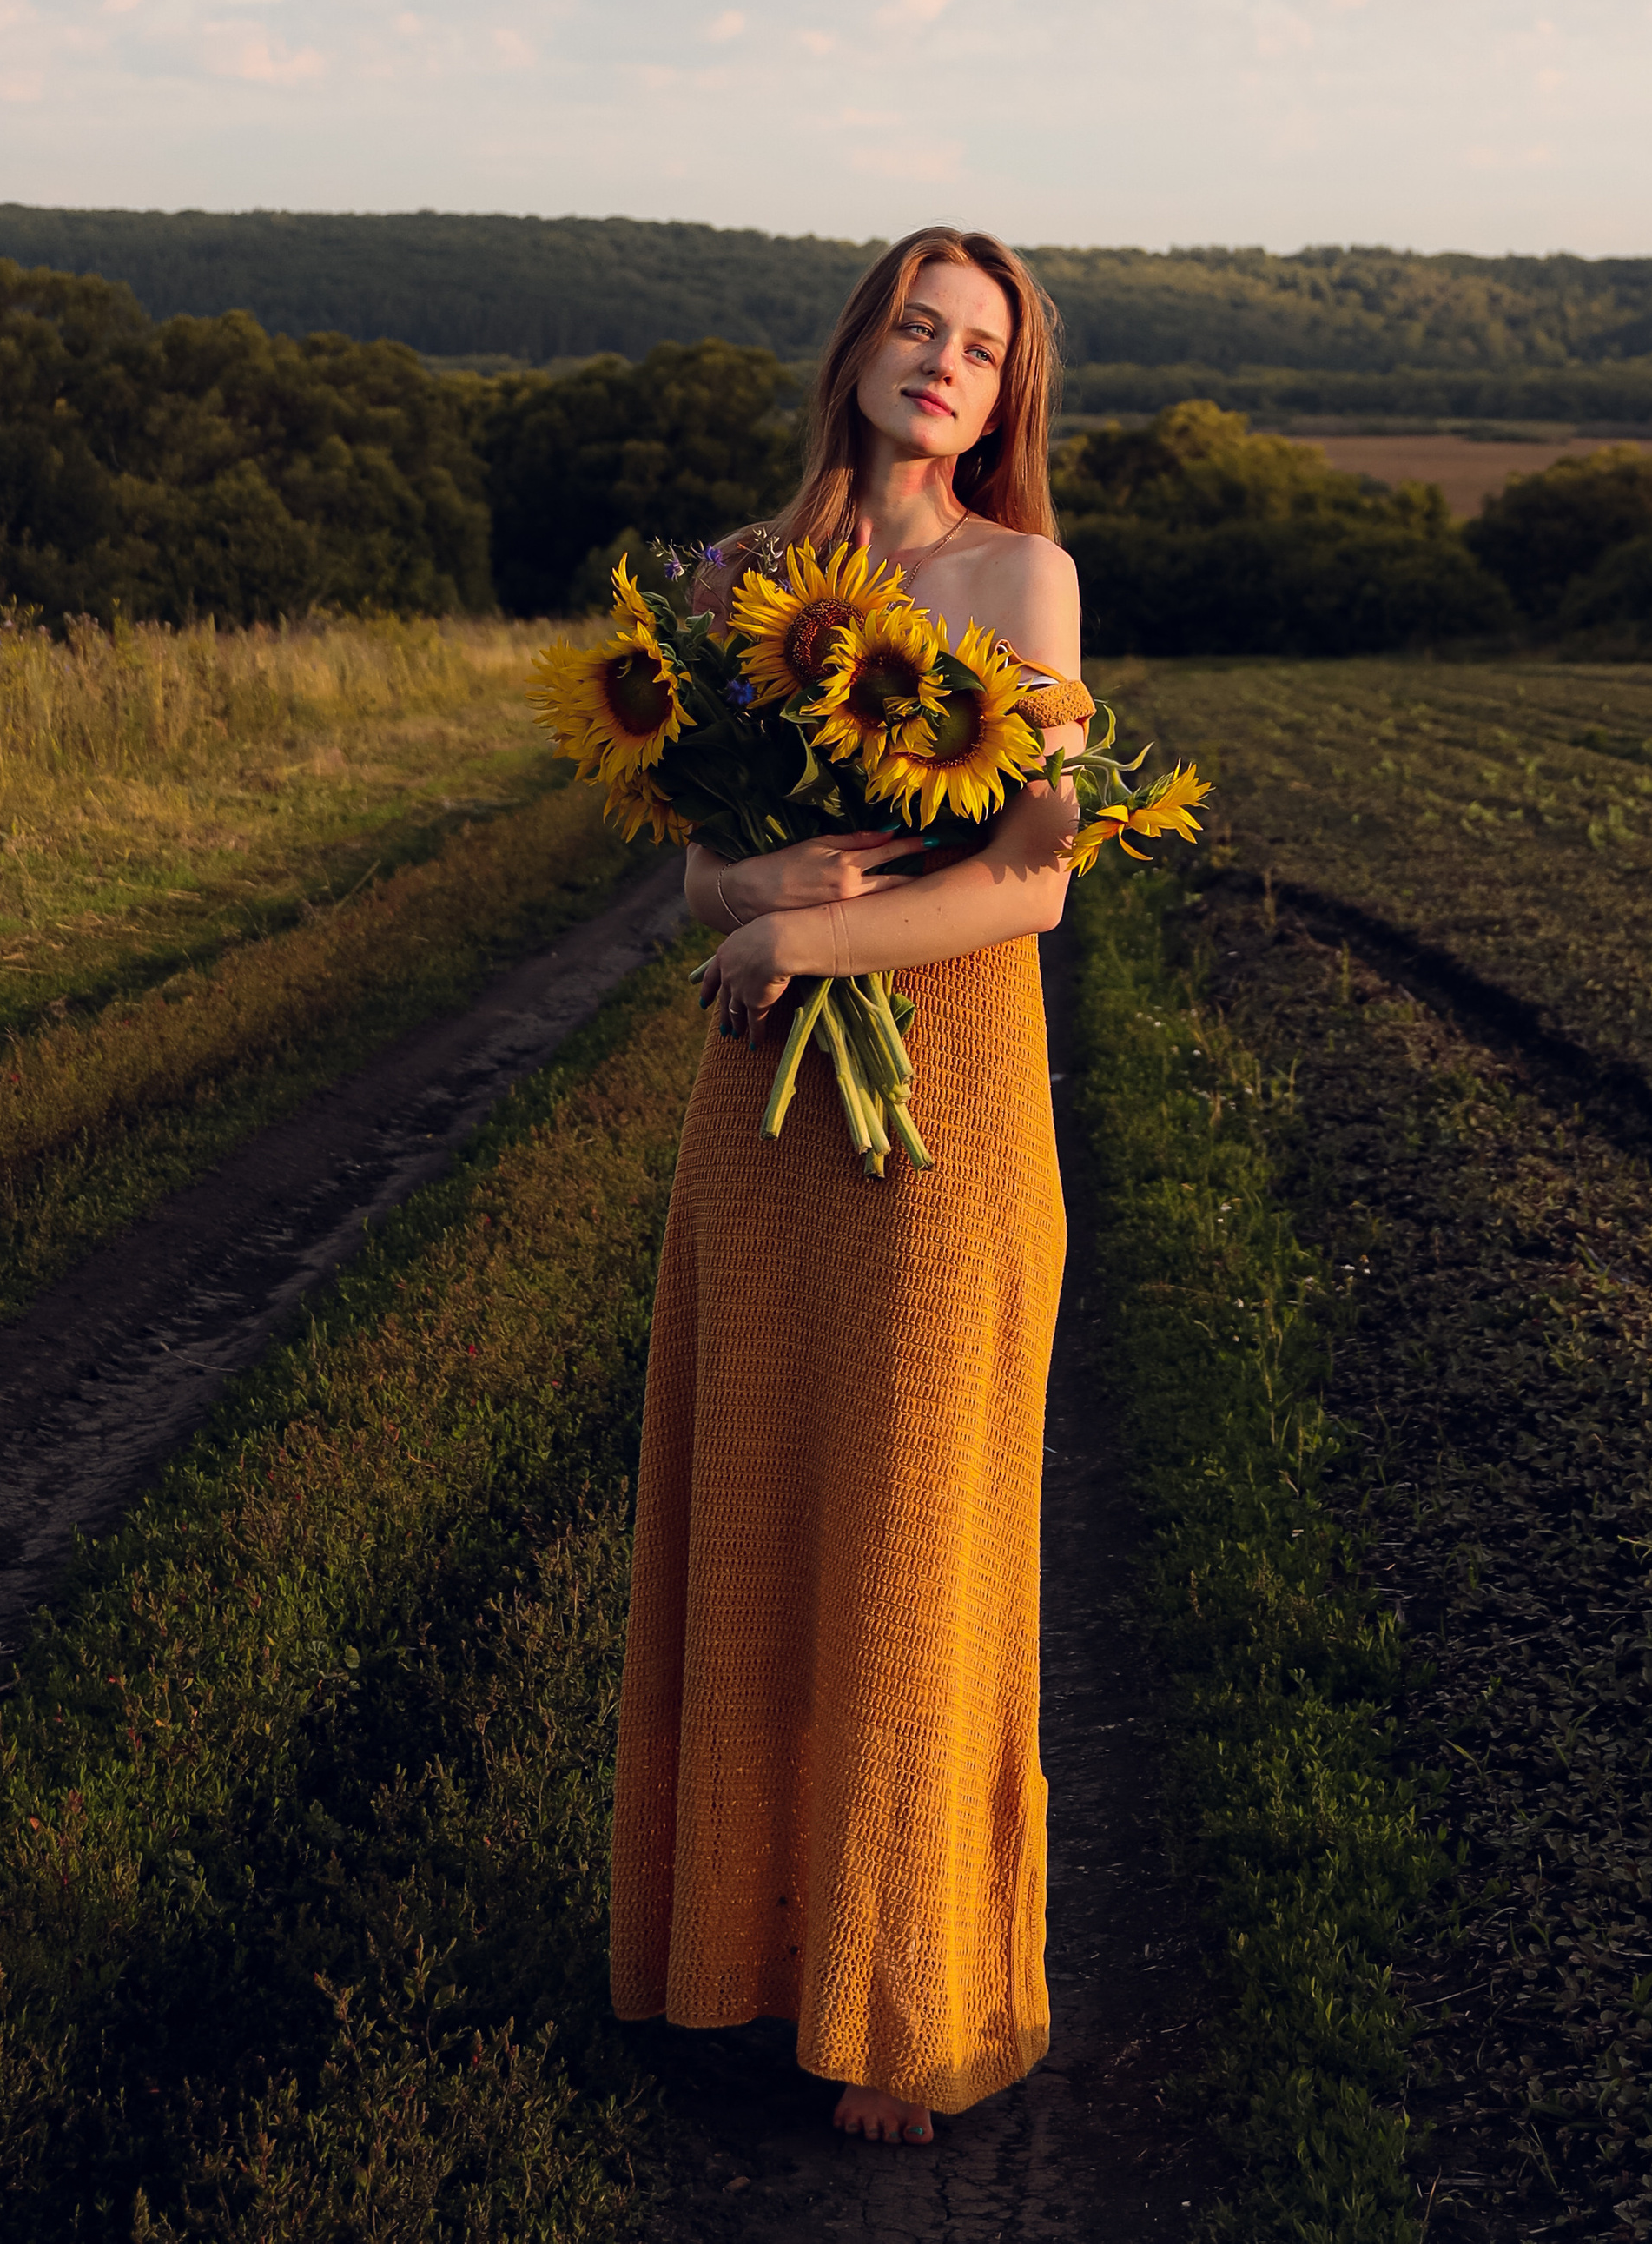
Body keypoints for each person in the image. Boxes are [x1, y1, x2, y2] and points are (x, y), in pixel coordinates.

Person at [608, 225, 1089, 2150]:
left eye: (979, 345)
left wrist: (813, 950)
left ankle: (900, 1991)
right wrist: (760, 899)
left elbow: (1040, 874)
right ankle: (732, 1955)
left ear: (1005, 393)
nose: (942, 362)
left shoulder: (1016, 575)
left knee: (909, 1531)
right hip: (759, 1115)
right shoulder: (738, 585)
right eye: (916, 322)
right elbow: (690, 878)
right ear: (859, 347)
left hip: (947, 1106)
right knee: (749, 1509)